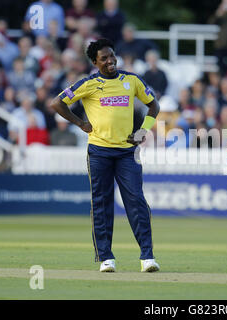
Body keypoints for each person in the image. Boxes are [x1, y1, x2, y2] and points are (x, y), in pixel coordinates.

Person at [49, 38, 161, 273]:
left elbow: (154, 106)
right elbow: (56, 103)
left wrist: (142, 131)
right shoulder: (89, 83)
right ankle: (106, 258)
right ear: (94, 62)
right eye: (104, 58)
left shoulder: (131, 80)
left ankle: (147, 257)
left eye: (112, 56)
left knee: (137, 201)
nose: (110, 61)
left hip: (127, 152)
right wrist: (80, 123)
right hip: (99, 152)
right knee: (101, 203)